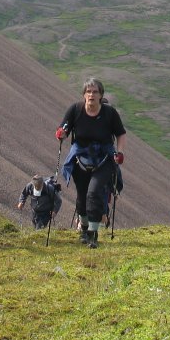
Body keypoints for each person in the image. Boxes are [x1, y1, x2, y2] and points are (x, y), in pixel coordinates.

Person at [56, 77, 126, 249]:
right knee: (81, 197)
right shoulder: (75, 110)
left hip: (104, 159)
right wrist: (61, 134)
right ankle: (84, 229)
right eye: (88, 91)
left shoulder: (110, 113)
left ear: (101, 95)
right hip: (80, 159)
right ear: (84, 95)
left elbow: (120, 133)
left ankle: (93, 234)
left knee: (93, 193)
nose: (91, 95)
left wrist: (120, 152)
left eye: (95, 92)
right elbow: (64, 129)